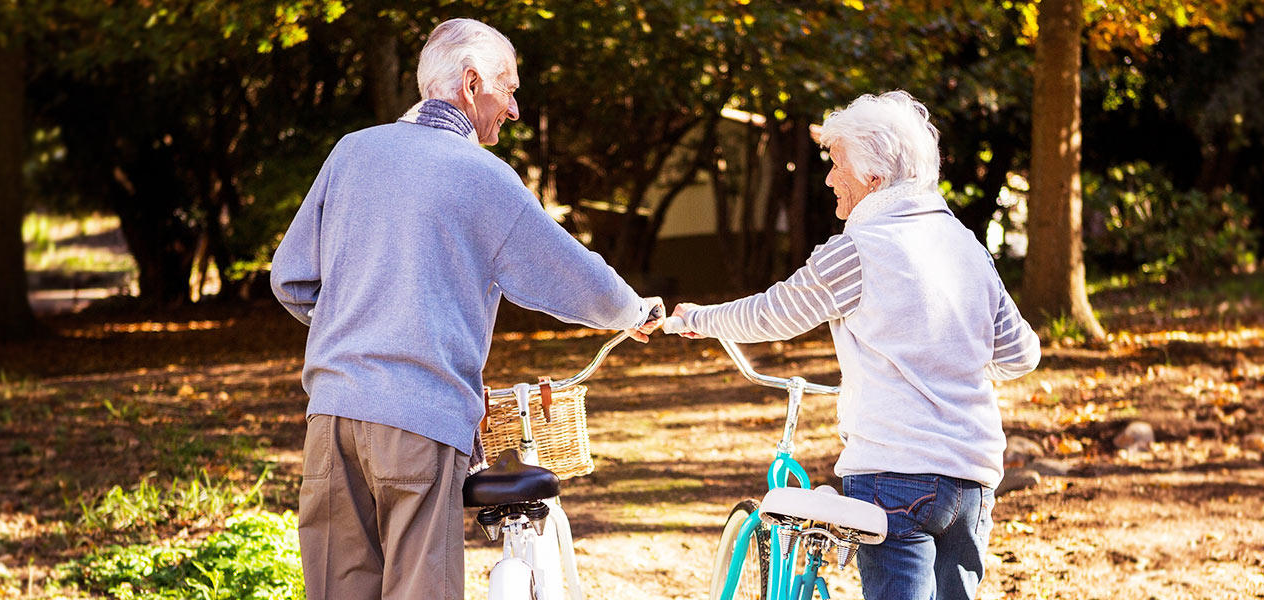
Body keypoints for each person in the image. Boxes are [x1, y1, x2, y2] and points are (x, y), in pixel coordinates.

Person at [268, 18, 663, 600]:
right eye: (510, 89)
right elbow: (568, 273)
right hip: (417, 419)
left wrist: (355, 325)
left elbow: (291, 278)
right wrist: (632, 311)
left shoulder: (352, 152)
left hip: (331, 417)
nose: (516, 109)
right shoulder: (480, 175)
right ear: (472, 83)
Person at [664, 91, 1040, 600]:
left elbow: (773, 314)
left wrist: (698, 319)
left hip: (895, 472)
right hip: (972, 478)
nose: (827, 178)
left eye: (836, 164)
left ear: (873, 178)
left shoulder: (859, 249)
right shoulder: (967, 247)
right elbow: (1021, 354)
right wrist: (949, 360)